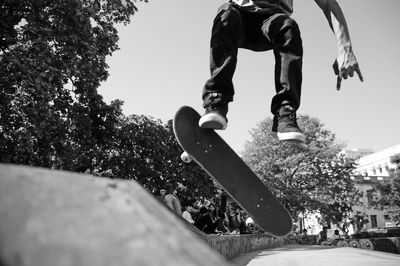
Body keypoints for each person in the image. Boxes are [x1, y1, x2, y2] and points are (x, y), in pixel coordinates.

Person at [199, 0, 363, 143]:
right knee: (226, 14)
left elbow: (328, 3)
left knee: (288, 26)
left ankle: (285, 111)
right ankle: (216, 100)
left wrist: (345, 49)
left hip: (271, 23)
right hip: (238, 19)